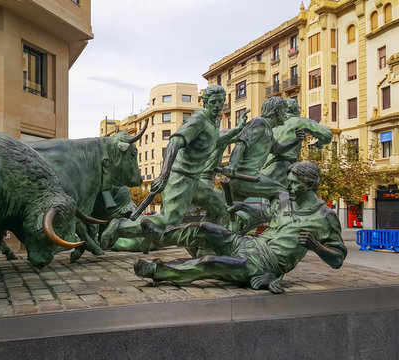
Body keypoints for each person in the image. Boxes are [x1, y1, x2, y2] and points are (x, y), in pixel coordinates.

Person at [133, 161, 347, 294]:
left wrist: (316, 246)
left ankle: (156, 271)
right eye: (288, 181)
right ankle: (161, 236)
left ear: (309, 185)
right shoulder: (284, 199)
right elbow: (265, 215)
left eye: (294, 183)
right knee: (203, 228)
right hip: (248, 243)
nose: (288, 186)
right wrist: (243, 205)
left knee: (210, 263)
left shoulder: (324, 217)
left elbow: (337, 259)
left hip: (264, 264)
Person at [101, 85, 242, 248]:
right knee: (169, 221)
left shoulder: (214, 121)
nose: (217, 106)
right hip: (180, 177)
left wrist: (236, 130)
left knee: (220, 207)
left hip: (194, 180)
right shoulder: (199, 120)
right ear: (205, 102)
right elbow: (174, 142)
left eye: (220, 101)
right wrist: (164, 174)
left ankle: (205, 243)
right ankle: (119, 227)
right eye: (213, 102)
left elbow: (211, 143)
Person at [222, 97, 306, 202]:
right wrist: (231, 165)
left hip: (244, 179)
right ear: (277, 111)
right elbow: (241, 143)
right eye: (285, 111)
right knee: (283, 192)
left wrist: (296, 141)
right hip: (244, 177)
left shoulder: (268, 131)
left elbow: (278, 149)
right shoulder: (259, 123)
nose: (286, 115)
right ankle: (280, 218)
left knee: (226, 214)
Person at [262, 99, 333, 185]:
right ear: (296, 110)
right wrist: (320, 142)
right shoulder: (298, 121)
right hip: (284, 168)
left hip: (266, 169)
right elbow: (327, 134)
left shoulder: (273, 125)